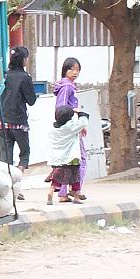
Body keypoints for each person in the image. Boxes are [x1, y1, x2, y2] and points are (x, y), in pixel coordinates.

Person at [0, 47, 37, 197]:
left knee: (5, 158)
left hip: (2, 123)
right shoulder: (24, 78)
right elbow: (31, 100)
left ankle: (8, 188)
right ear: (23, 60)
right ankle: (16, 186)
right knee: (24, 154)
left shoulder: (5, 76)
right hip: (19, 123)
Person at [53, 57, 87, 200]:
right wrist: (78, 124)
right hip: (69, 127)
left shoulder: (66, 86)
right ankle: (75, 189)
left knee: (68, 159)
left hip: (68, 127)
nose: (75, 72)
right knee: (81, 158)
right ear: (65, 70)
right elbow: (62, 108)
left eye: (77, 69)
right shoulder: (67, 87)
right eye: (71, 69)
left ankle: (63, 193)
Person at [46, 106, 88, 204]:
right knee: (75, 177)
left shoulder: (53, 128)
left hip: (57, 159)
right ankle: (77, 197)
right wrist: (79, 112)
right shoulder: (71, 127)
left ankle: (50, 193)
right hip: (71, 157)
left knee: (56, 177)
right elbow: (84, 121)